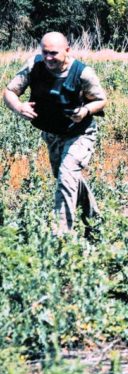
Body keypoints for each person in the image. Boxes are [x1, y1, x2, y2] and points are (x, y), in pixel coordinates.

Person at [3, 31, 107, 237]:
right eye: (45, 53)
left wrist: (85, 111)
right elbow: (9, 91)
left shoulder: (83, 73)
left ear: (67, 51)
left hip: (80, 133)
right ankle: (95, 223)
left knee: (66, 176)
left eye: (54, 53)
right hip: (52, 135)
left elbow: (101, 99)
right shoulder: (34, 65)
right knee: (67, 179)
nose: (48, 58)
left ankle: (61, 238)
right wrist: (19, 107)